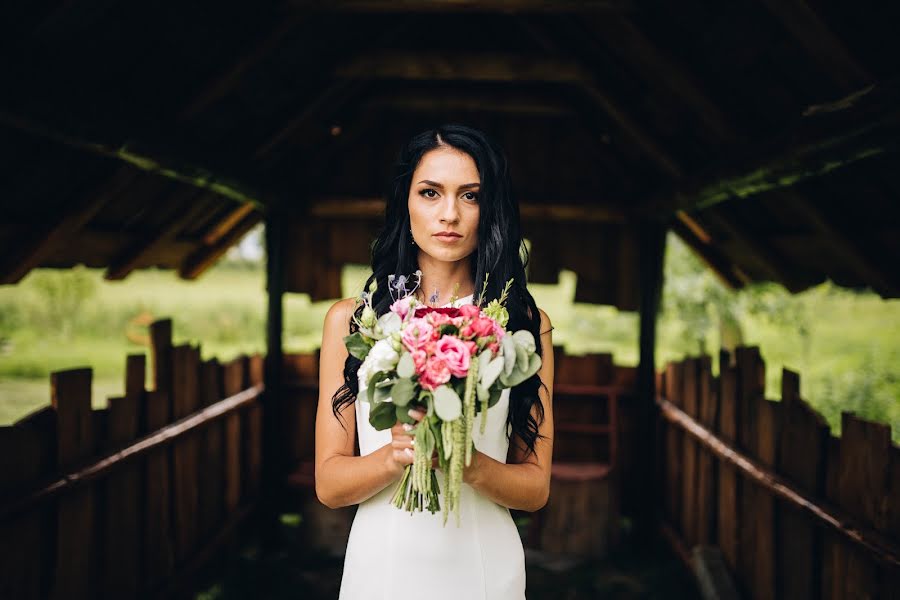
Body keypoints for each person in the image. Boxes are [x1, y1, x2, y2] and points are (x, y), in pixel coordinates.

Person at [315, 124, 555, 600]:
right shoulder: (353, 321)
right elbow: (329, 484)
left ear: (493, 209)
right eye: (430, 192)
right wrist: (396, 455)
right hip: (383, 567)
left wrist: (466, 463)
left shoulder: (524, 326)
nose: (450, 214)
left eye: (471, 196)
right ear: (405, 200)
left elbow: (535, 488)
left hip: (485, 569)